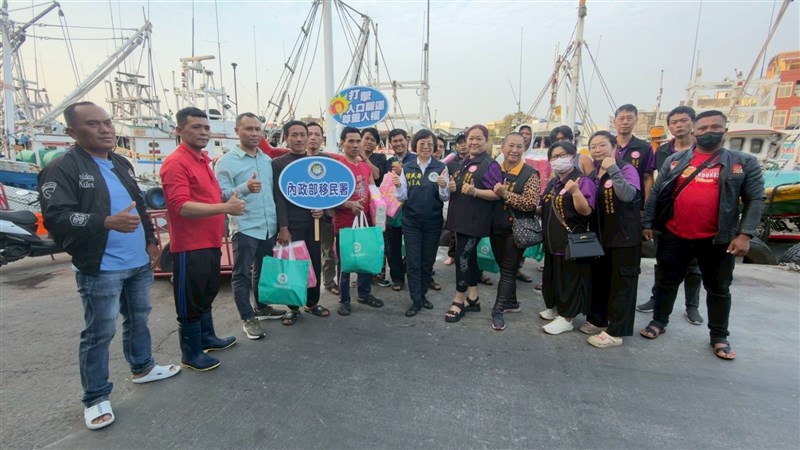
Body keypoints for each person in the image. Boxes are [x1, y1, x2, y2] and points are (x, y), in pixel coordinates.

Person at [38, 101, 180, 430]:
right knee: (99, 331)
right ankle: (96, 396)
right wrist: (103, 222)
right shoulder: (62, 168)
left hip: (137, 262)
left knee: (138, 318)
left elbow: (140, 207)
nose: (105, 129)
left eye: (107, 122)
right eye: (93, 124)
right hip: (100, 266)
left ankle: (143, 367)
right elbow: (55, 217)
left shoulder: (121, 162)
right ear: (72, 132)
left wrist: (150, 240)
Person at [640, 110, 765, 360]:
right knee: (666, 281)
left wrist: (745, 235)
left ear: (724, 130)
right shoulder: (676, 160)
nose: (709, 132)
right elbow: (656, 193)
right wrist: (648, 223)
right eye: (704, 128)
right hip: (674, 234)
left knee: (718, 288)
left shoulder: (743, 162)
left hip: (717, 238)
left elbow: (755, 199)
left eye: (715, 127)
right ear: (695, 132)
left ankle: (719, 336)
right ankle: (659, 321)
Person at [161, 107, 244, 371]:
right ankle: (191, 352)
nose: (203, 132)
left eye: (206, 128)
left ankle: (207, 337)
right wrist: (225, 209)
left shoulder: (202, 160)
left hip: (209, 241)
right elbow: (180, 206)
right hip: (189, 244)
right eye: (196, 127)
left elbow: (210, 198)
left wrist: (228, 201)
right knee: (190, 298)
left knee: (207, 292)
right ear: (179, 130)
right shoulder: (176, 162)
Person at [215, 112, 286, 341]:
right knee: (242, 274)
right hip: (245, 226)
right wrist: (245, 187)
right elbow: (220, 195)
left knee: (263, 270)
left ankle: (262, 308)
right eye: (249, 129)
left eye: (257, 129)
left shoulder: (266, 159)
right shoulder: (226, 161)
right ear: (237, 131)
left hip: (268, 225)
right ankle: (247, 317)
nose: (254, 133)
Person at [636, 106, 703, 324]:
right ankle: (657, 300)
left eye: (683, 121)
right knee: (663, 262)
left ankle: (691, 306)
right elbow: (655, 185)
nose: (679, 125)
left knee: (694, 266)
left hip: (697, 217)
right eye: (674, 122)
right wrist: (649, 217)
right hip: (668, 216)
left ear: (692, 123)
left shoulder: (704, 148)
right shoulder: (663, 151)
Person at [584, 131, 642, 348]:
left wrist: (613, 170)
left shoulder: (626, 168)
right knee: (600, 281)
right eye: (593, 147)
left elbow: (628, 195)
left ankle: (616, 331)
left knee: (622, 284)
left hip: (624, 238)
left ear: (614, 147)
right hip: (600, 238)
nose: (597, 150)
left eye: (602, 145)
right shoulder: (593, 175)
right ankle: (599, 320)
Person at [272, 120, 330, 324]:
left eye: (302, 135)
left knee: (314, 262)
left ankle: (312, 303)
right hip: (291, 225)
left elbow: (328, 192)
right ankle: (293, 307)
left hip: (313, 224)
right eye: (294, 135)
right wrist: (283, 227)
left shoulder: (317, 164)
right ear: (286, 138)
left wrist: (323, 211)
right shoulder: (278, 164)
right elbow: (278, 197)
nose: (299, 139)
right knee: (293, 265)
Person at [444, 124, 502, 322]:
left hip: (475, 222)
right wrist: (453, 186)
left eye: (479, 138)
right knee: (469, 258)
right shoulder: (463, 162)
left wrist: (475, 192)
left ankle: (459, 300)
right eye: (471, 138)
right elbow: (461, 187)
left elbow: (497, 193)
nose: (474, 142)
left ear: (486, 141)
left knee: (461, 258)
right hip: (460, 219)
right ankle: (473, 297)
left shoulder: (490, 164)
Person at [539, 141, 596, 335]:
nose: (557, 160)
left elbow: (586, 210)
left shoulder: (581, 181)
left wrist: (575, 192)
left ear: (573, 157)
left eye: (562, 155)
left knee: (569, 278)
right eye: (553, 157)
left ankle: (567, 316)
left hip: (571, 240)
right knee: (553, 276)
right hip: (551, 240)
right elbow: (544, 206)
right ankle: (554, 307)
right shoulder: (554, 182)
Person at [395, 129, 450, 317]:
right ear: (415, 146)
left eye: (429, 143)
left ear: (434, 146)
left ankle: (423, 294)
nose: (426, 147)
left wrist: (443, 186)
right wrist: (397, 185)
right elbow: (402, 196)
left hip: (433, 222)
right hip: (411, 221)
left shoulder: (441, 167)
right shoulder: (407, 167)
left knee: (427, 261)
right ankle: (416, 299)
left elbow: (445, 197)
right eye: (422, 143)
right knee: (413, 261)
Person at [489, 132, 541, 330]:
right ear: (502, 147)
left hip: (515, 229)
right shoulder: (494, 169)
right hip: (495, 227)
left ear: (524, 148)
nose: (514, 150)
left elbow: (529, 204)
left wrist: (505, 194)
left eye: (519, 146)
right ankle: (511, 302)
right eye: (511, 145)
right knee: (503, 267)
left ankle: (498, 310)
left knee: (509, 270)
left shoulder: (530, 174)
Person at [333, 127, 384, 316]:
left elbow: (373, 186)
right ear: (342, 143)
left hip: (366, 221)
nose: (355, 145)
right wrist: (348, 205)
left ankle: (364, 294)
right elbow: (330, 196)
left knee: (365, 258)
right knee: (345, 263)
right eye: (350, 141)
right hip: (345, 222)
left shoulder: (364, 166)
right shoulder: (337, 166)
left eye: (357, 141)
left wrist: (381, 209)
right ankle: (344, 299)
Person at [308, 122, 340, 296]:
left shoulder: (329, 161)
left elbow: (334, 188)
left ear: (322, 138)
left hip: (326, 215)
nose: (313, 137)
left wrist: (325, 208)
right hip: (302, 218)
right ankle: (306, 283)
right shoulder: (296, 161)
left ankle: (328, 281)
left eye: (317, 134)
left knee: (328, 250)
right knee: (304, 251)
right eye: (309, 133)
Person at [361, 127, 392, 288]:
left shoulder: (380, 157)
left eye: (373, 140)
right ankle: (363, 274)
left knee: (380, 239)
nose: (369, 142)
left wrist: (364, 158)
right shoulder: (352, 156)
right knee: (363, 240)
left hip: (376, 206)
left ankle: (379, 274)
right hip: (359, 205)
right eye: (366, 138)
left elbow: (376, 174)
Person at [384, 128, 415, 291]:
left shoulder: (416, 160)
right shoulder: (388, 162)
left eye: (400, 140)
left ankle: (417, 276)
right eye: (394, 141)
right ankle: (397, 278)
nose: (398, 143)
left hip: (412, 211)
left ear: (407, 140)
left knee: (414, 247)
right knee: (393, 246)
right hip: (393, 213)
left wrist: (403, 172)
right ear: (391, 144)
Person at [613, 104, 657, 206]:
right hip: (610, 200)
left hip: (634, 202)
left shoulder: (645, 147)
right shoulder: (607, 146)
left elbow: (648, 178)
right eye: (621, 118)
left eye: (629, 118)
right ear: (615, 121)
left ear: (635, 120)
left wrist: (647, 207)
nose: (625, 122)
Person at [442, 132, 467, 266]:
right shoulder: (450, 164)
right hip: (454, 201)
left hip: (471, 202)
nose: (463, 145)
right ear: (456, 146)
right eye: (459, 143)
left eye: (465, 142)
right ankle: (452, 255)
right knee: (453, 230)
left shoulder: (476, 162)